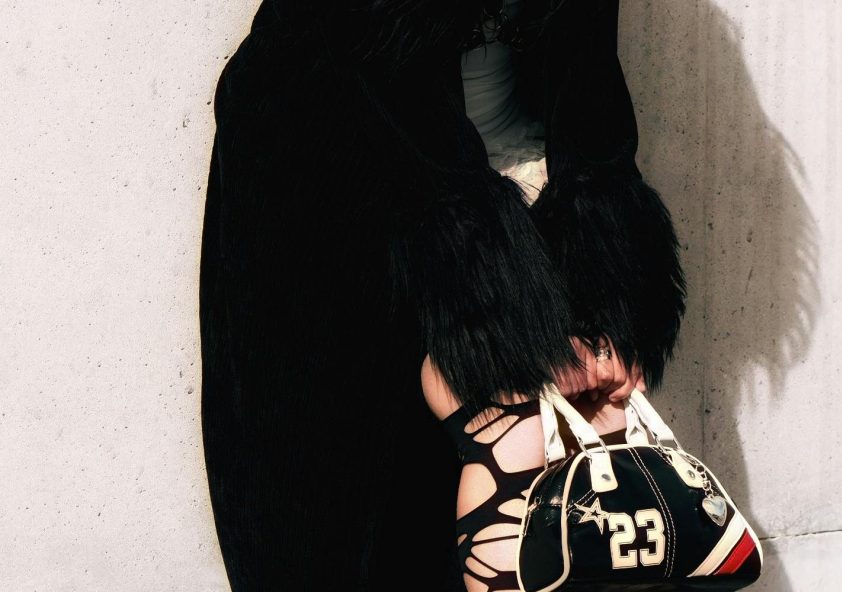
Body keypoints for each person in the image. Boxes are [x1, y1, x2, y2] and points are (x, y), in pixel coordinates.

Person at [198, 1, 686, 590]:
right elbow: (369, 81)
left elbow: (589, 93)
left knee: (571, 507)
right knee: (341, 516)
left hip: (507, 201)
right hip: (330, 201)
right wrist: (512, 326)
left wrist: (605, 304)